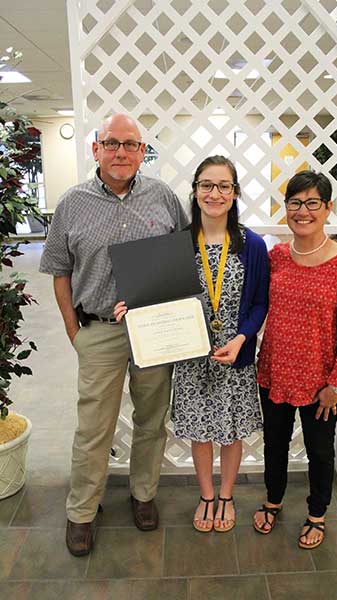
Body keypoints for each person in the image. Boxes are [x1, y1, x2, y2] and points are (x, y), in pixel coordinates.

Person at [39, 113, 188, 556]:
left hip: (153, 332)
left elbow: (179, 259)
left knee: (150, 419)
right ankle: (82, 511)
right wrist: (73, 330)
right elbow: (59, 271)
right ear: (96, 149)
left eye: (130, 144)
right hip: (99, 331)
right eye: (111, 143)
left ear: (143, 151)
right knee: (93, 427)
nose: (120, 152)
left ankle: (143, 495)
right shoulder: (72, 203)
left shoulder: (163, 197)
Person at [115, 155, 269, 532]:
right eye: (206, 185)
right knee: (200, 431)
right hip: (189, 355)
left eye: (223, 186)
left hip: (234, 354)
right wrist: (131, 308)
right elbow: (157, 295)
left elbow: (261, 301)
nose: (214, 193)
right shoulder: (177, 244)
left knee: (231, 432)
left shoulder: (252, 245)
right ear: (195, 191)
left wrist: (241, 338)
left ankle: (227, 495)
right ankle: (206, 495)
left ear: (234, 193)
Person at [253, 170, 337, 549]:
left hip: (322, 381)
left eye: (312, 203)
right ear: (286, 209)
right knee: (275, 442)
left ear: (327, 208)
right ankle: (273, 499)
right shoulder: (277, 257)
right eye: (295, 203)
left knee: (319, 449)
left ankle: (317, 513)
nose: (303, 211)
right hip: (275, 370)